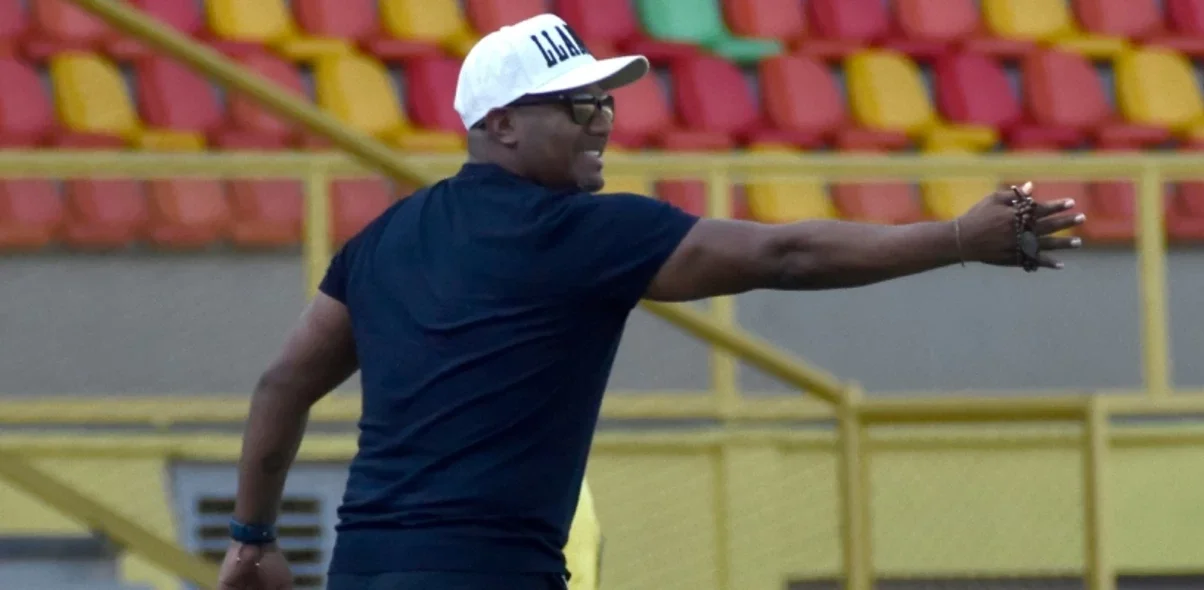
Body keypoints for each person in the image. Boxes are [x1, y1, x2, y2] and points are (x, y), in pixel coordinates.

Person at [215, 12, 1086, 590]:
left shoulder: (386, 237)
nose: (602, 119)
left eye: (604, 101)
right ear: (500, 125)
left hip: (363, 568)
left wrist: (252, 535)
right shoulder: (577, 232)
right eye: (577, 103)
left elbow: (281, 384)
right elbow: (781, 253)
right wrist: (954, 239)